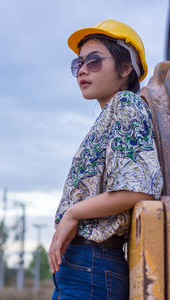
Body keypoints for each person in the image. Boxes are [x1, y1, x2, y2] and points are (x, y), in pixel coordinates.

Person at [48, 19, 163, 300]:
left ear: (126, 68)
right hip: (82, 265)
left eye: (95, 61)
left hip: (92, 264)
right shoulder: (109, 114)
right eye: (78, 64)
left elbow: (139, 189)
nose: (82, 70)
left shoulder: (127, 104)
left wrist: (72, 214)